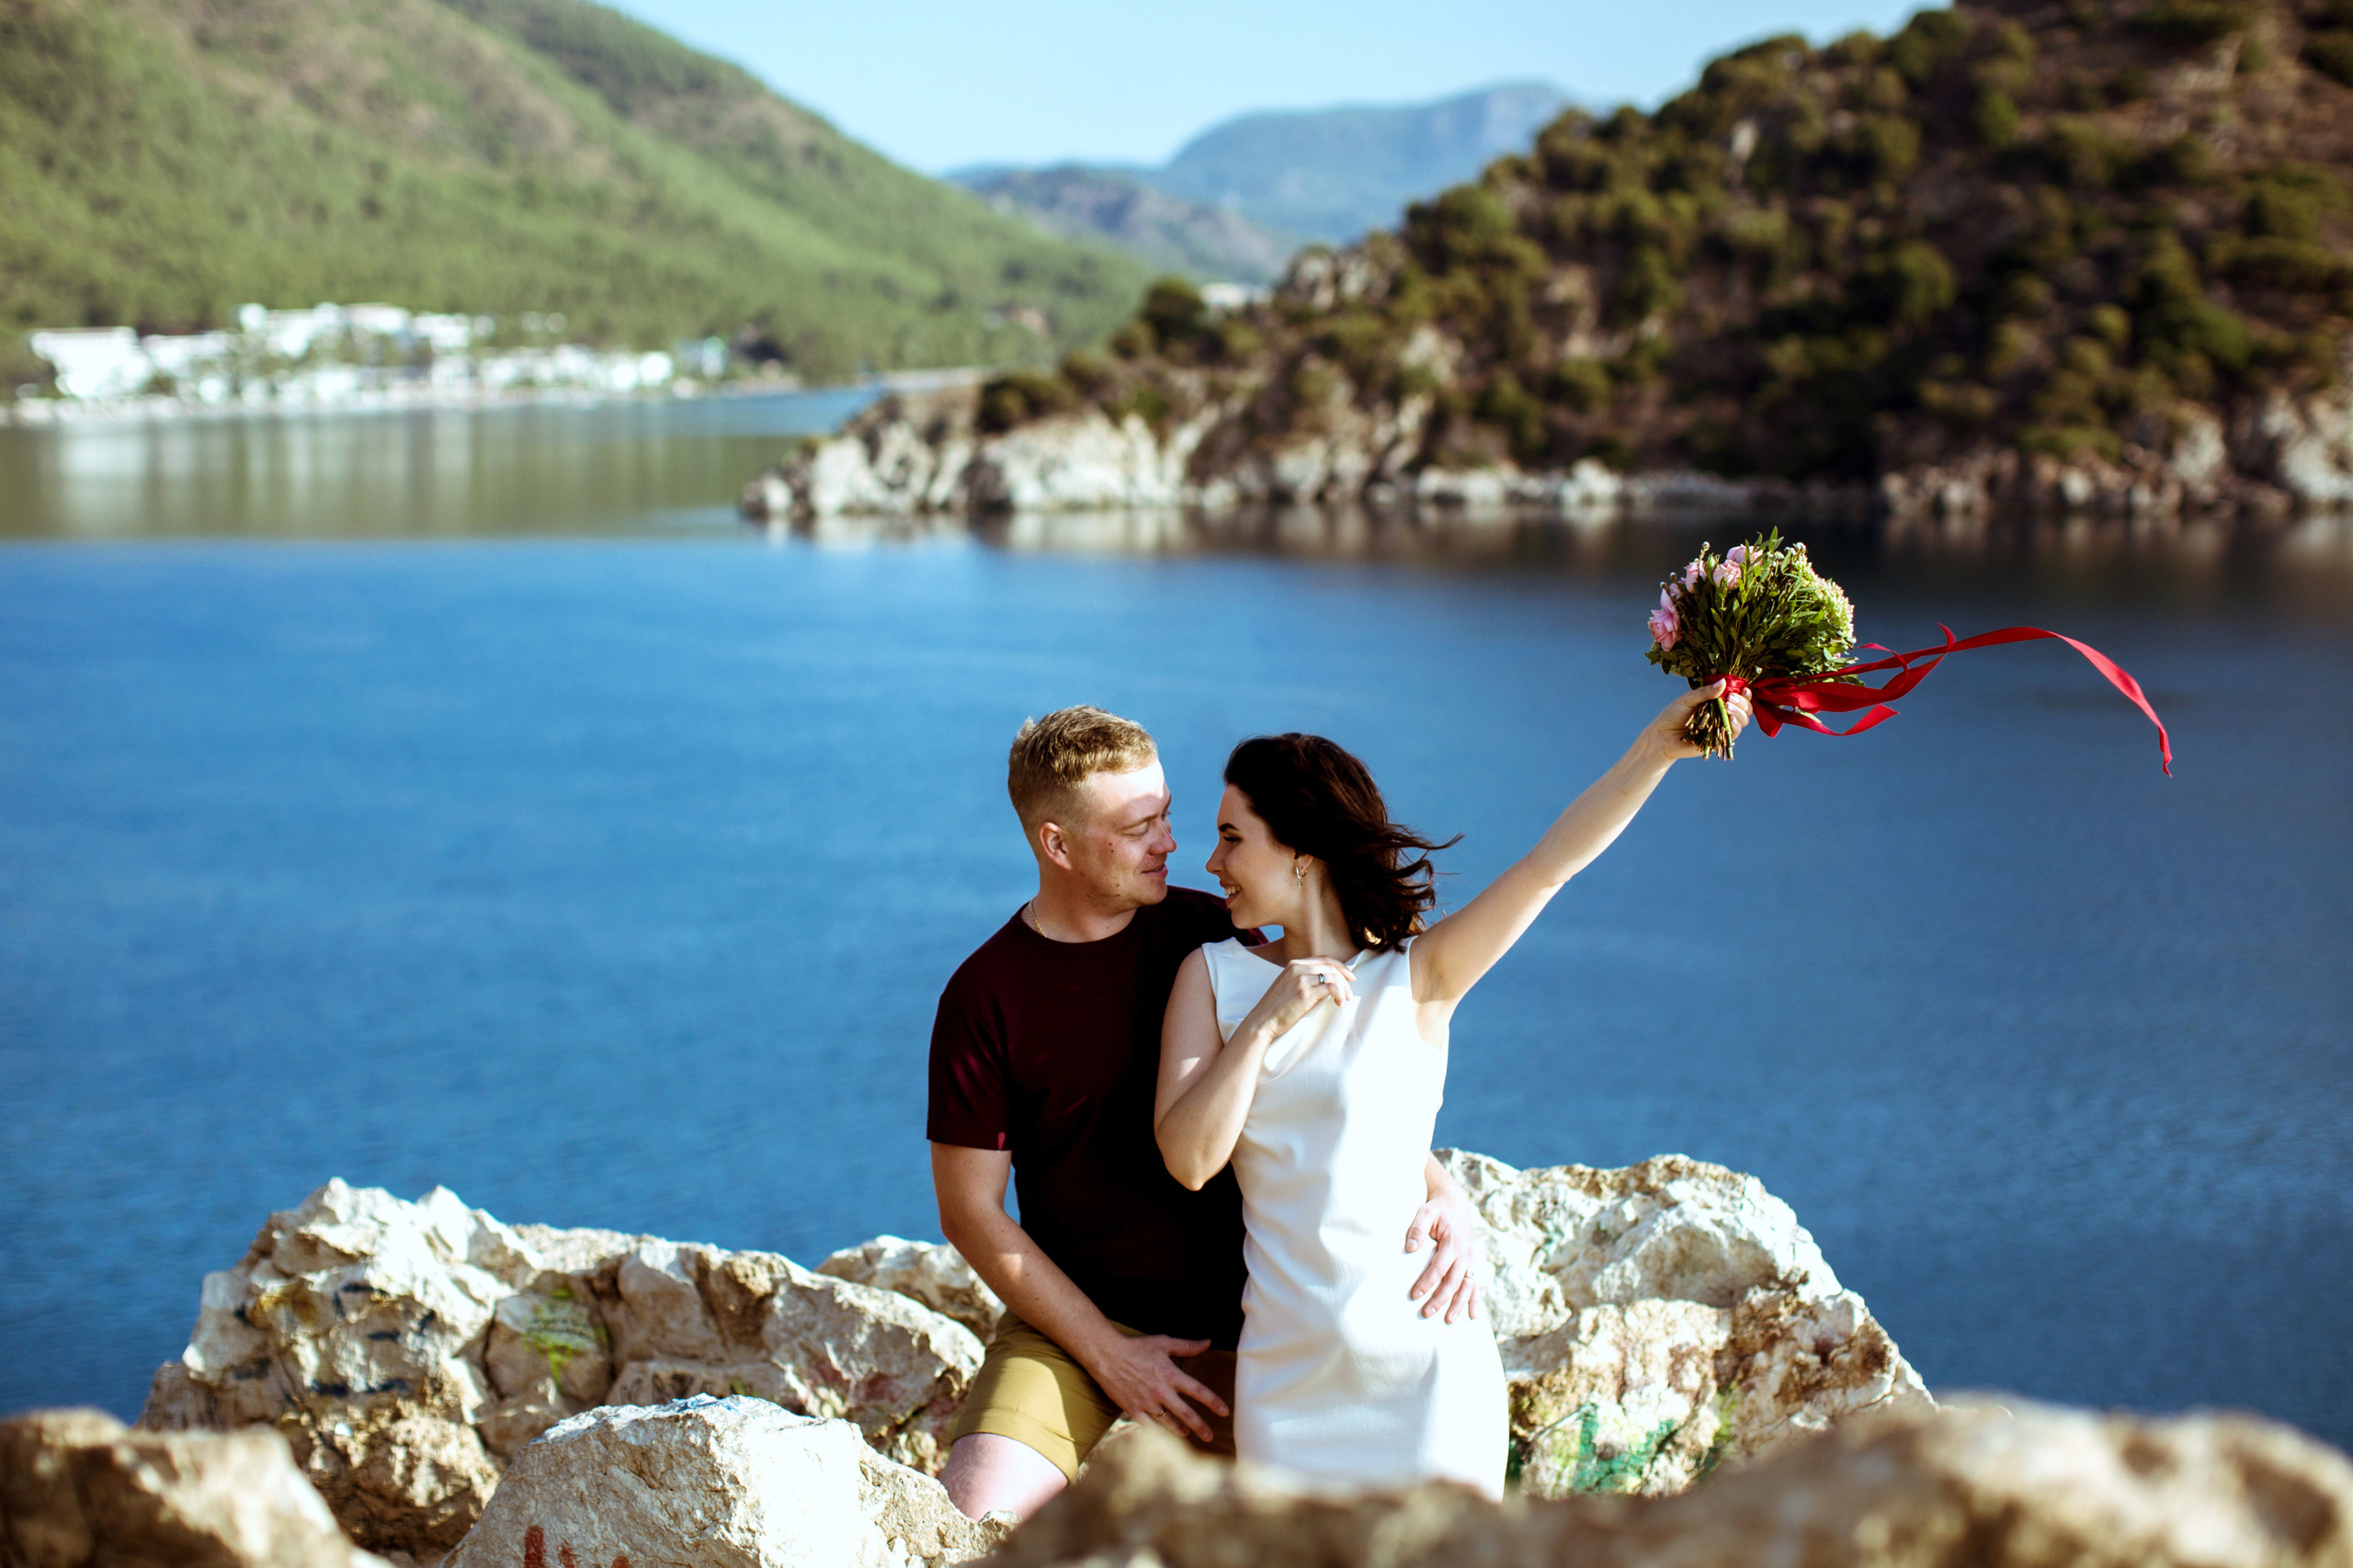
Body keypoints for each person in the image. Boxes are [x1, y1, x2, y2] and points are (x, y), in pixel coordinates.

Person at [1154, 682, 1754, 1497]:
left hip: (1427, 1370)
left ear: (1302, 848)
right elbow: (1190, 1159)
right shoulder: (1212, 979)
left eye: (1231, 838)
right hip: (1286, 1385)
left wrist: (1656, 750)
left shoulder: (1418, 976)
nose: (1212, 862)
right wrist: (1266, 1021)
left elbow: (1549, 867)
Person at [927, 706, 1486, 1520]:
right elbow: (970, 1212)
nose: (1172, 843)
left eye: (1166, 814)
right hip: (1075, 1330)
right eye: (1140, 826)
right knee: (975, 1517)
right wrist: (1110, 1354)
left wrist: (1445, 1194)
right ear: (1058, 845)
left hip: (1253, 1334)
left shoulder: (1215, 936)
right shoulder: (985, 995)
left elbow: (1338, 1084)